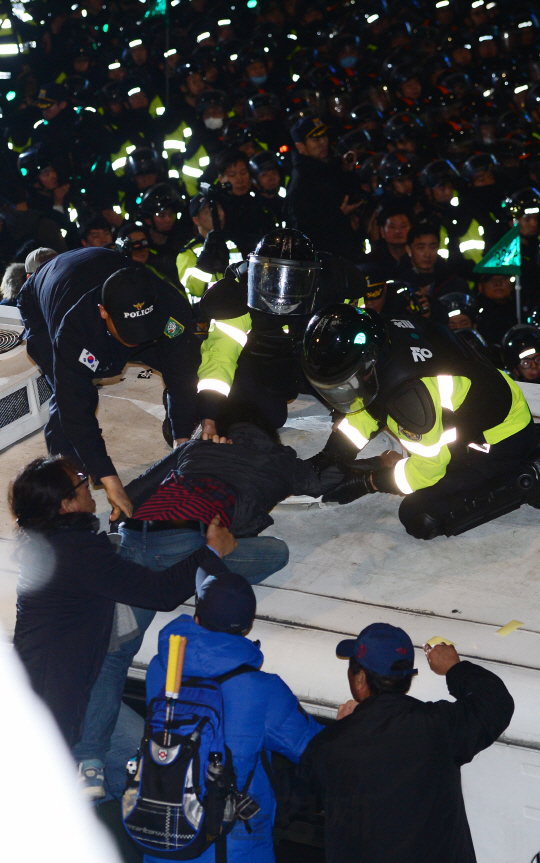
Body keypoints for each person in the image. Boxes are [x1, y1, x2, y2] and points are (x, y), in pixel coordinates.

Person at [9, 454, 235, 760]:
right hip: (50, 713)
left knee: (143, 765)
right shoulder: (76, 552)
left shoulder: (51, 546)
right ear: (66, 504)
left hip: (42, 698)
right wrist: (211, 552)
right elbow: (160, 592)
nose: (90, 486)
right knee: (149, 767)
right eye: (81, 481)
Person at [302, 303, 537, 539]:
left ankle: (528, 473)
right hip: (475, 411)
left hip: (500, 437)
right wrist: (332, 455)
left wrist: (370, 482)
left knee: (419, 517)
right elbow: (368, 406)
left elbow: (429, 470)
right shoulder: (384, 338)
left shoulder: (408, 399)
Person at [294, 623, 514, 863]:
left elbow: (299, 800)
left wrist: (345, 728)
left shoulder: (332, 745)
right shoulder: (439, 727)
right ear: (407, 678)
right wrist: (455, 668)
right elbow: (496, 703)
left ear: (359, 679)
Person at [143, 570, 322, 863]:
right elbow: (314, 749)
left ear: (197, 616)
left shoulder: (161, 670)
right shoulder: (262, 689)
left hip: (162, 840)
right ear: (248, 626)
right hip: (233, 849)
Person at [18, 248, 200, 519]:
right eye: (128, 333)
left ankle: (176, 422)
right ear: (103, 312)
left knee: (179, 363)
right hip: (47, 296)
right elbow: (75, 408)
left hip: (104, 276)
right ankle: (68, 482)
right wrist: (108, 477)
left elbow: (182, 372)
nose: (134, 341)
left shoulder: (171, 305)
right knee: (66, 392)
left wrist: (182, 439)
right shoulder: (75, 330)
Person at [196, 228, 365, 434]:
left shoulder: (335, 289)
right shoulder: (239, 298)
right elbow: (220, 358)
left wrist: (353, 406)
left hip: (311, 360)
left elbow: (356, 342)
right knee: (266, 421)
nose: (282, 292)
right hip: (260, 363)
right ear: (255, 275)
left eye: (294, 280)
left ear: (313, 278)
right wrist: (209, 416)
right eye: (273, 278)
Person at [285, 116, 361, 260]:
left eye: (324, 136)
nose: (323, 142)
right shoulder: (302, 181)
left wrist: (345, 170)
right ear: (301, 146)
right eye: (315, 139)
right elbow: (302, 231)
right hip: (324, 263)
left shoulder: (326, 167)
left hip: (342, 256)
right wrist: (339, 215)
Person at [176, 191, 241, 305]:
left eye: (219, 208)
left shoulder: (231, 245)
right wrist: (206, 258)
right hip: (206, 317)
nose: (218, 214)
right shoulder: (187, 253)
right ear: (196, 219)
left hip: (235, 310)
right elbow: (195, 289)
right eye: (209, 211)